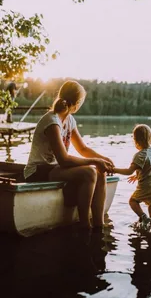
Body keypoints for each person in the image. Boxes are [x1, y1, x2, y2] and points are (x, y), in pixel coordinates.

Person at [24, 80, 114, 230]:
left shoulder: (69, 120)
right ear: (77, 103)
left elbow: (83, 148)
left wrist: (103, 159)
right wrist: (95, 161)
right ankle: (85, 225)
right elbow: (64, 160)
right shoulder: (52, 121)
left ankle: (99, 225)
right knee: (90, 172)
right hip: (37, 171)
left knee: (100, 172)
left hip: (55, 169)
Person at [113, 124, 151, 230]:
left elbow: (128, 171)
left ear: (136, 140)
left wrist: (113, 169)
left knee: (133, 201)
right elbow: (149, 168)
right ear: (150, 138)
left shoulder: (140, 155)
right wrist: (137, 176)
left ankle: (143, 217)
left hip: (146, 187)